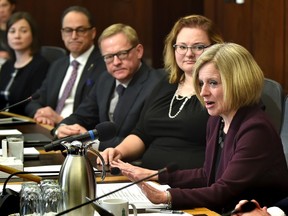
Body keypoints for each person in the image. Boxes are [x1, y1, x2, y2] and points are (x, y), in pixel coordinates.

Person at [110, 43, 288, 213]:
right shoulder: (216, 120)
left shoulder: (255, 129)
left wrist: (166, 196)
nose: (203, 92)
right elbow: (206, 175)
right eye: (201, 83)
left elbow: (222, 191)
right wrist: (155, 175)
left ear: (238, 82)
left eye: (213, 83)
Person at [98, 15, 223, 169]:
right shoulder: (165, 83)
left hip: (189, 184)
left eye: (198, 47)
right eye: (182, 47)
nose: (189, 54)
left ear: (215, 48)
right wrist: (118, 151)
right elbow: (142, 133)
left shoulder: (220, 89)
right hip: (145, 178)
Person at [53, 23, 165, 151]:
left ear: (139, 51)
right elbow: (82, 115)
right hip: (101, 160)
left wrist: (90, 141)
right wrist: (63, 127)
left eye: (122, 54)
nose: (116, 62)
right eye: (109, 57)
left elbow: (145, 140)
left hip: (134, 163)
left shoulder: (156, 85)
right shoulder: (105, 79)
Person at [25, 6, 106, 126]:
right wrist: (40, 113)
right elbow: (34, 100)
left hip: (79, 134)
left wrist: (61, 120)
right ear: (62, 34)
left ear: (93, 33)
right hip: (50, 129)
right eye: (68, 30)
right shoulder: (57, 65)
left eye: (80, 30)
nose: (73, 36)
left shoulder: (104, 65)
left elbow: (96, 113)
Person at [0, 11, 49, 115]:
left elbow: (34, 103)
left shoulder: (40, 66)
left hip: (24, 123)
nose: (17, 36)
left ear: (33, 34)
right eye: (12, 31)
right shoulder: (6, 66)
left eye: (23, 31)